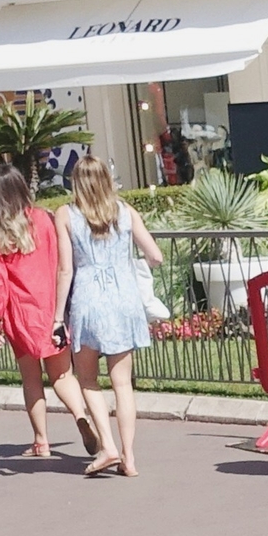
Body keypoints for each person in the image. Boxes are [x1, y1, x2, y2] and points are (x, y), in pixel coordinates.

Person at [0, 165, 100, 461]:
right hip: (51, 308)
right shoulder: (44, 220)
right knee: (61, 375)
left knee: (31, 379)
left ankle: (41, 441)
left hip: (20, 313)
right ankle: (81, 417)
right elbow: (63, 261)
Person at [58, 156, 162, 478]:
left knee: (87, 378)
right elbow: (156, 256)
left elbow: (65, 270)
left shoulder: (66, 214)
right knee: (123, 384)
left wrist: (56, 316)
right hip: (124, 300)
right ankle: (129, 458)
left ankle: (108, 445)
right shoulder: (125, 211)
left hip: (89, 300)